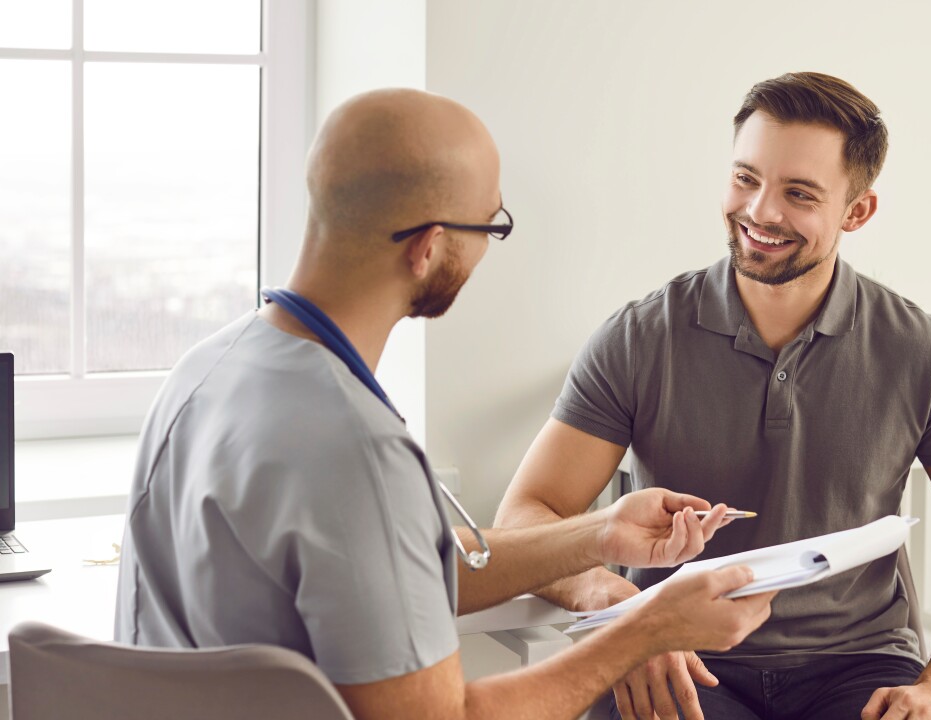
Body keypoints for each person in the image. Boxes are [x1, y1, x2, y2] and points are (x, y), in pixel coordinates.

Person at [114, 88, 777, 720]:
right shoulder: (355, 450)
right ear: (428, 247)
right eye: (492, 224)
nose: (489, 246)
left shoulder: (207, 369)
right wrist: (648, 628)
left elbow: (393, 570)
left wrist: (596, 537)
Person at [495, 72, 931, 720]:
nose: (760, 212)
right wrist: (620, 612)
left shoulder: (921, 350)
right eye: (746, 179)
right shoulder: (639, 338)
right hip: (677, 654)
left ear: (856, 211)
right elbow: (528, 514)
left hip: (857, 667)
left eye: (798, 193)